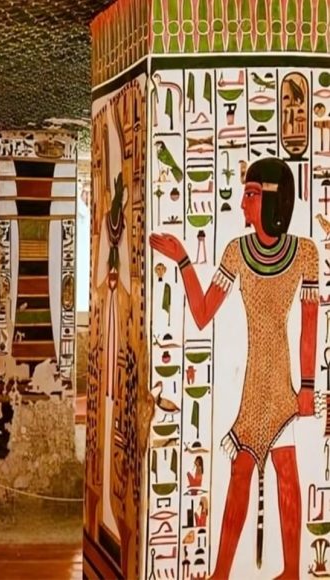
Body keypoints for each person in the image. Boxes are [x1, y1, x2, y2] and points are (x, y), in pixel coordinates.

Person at [150, 157, 317, 579]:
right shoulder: (236, 253)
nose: (242, 204)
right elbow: (204, 312)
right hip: (254, 382)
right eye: (244, 194)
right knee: (243, 469)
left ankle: (292, 571)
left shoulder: (305, 253)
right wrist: (184, 260)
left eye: (251, 195)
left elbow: (310, 323)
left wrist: (308, 386)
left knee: (285, 472)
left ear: (274, 201)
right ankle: (221, 572)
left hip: (284, 380)